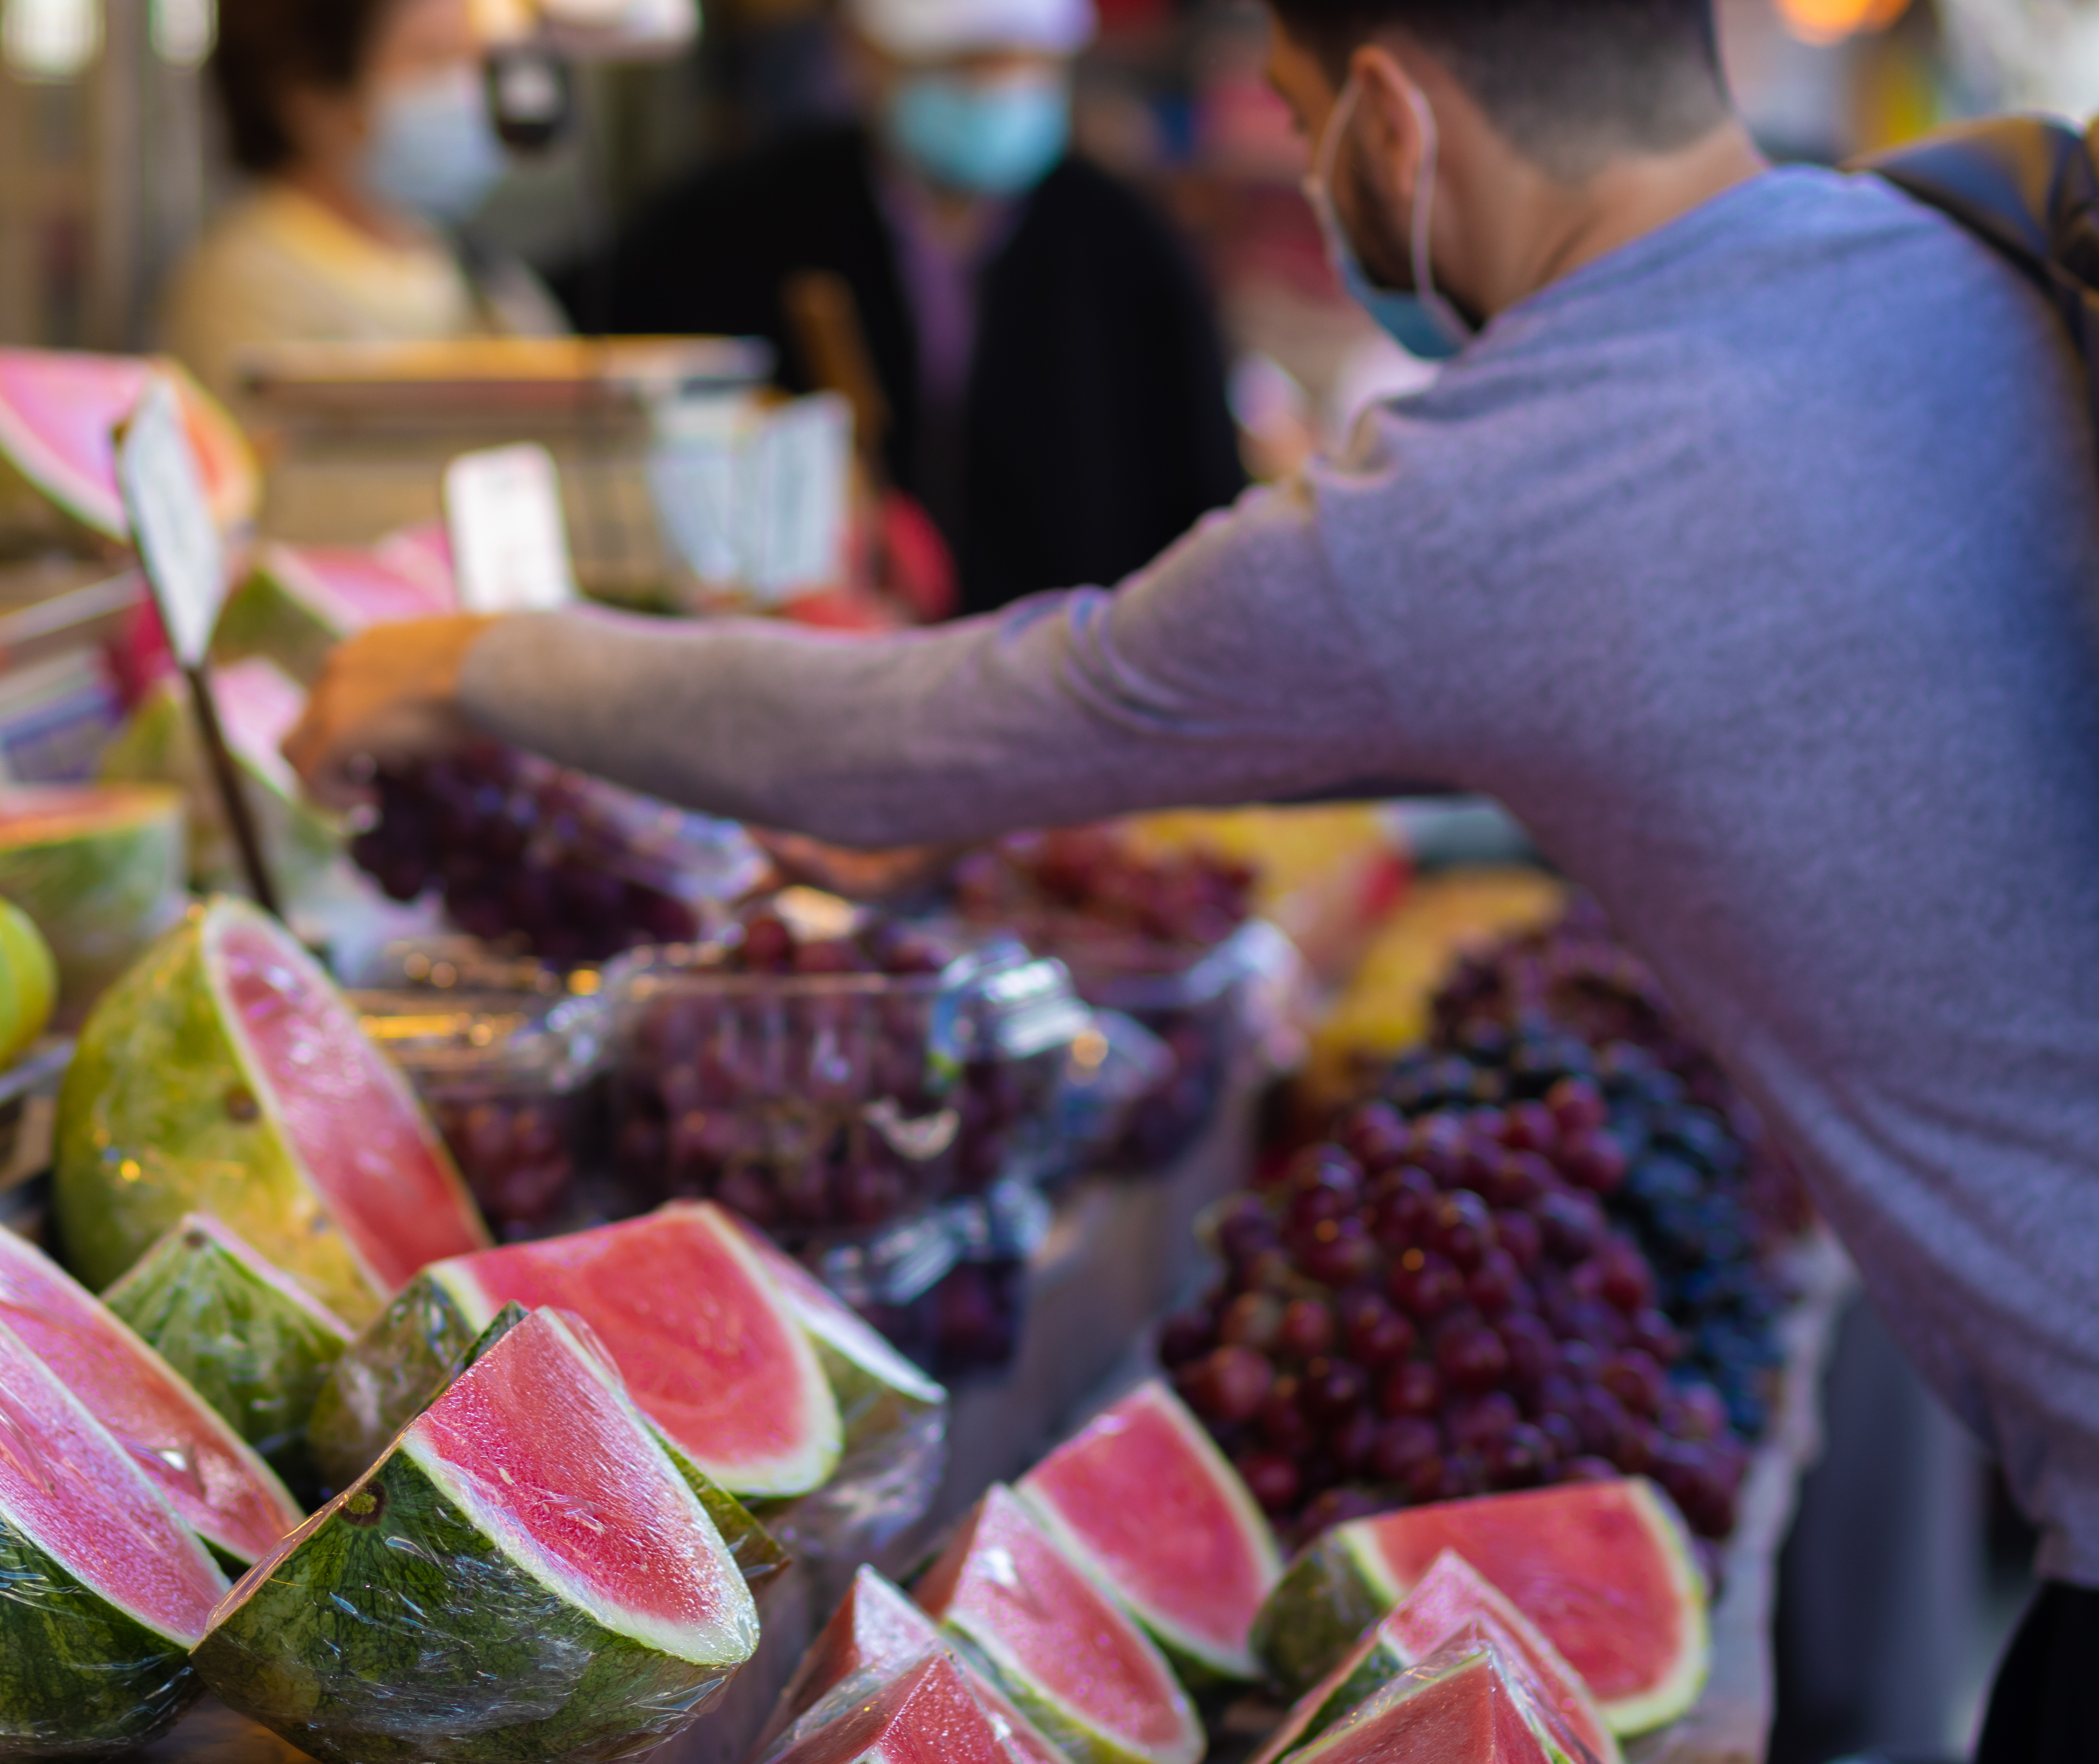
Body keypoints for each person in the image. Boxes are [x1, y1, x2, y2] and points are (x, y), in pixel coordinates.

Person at [288, 1, 2099, 1753]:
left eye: (1307, 123)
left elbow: (926, 726)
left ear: (1391, 118)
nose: (1317, 179)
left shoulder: (1505, 494)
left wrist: (470, 661)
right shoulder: (1952, 256)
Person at [578, 0, 1248, 616]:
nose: (993, 90)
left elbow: (1203, 505)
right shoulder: (735, 224)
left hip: (1068, 685)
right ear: (861, 53)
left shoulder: (1127, 245)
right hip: (807, 680)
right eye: (960, 67)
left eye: (1018, 66)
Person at [161, 0, 566, 406]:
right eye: (433, 59)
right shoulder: (247, 287)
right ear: (313, 94)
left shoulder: (480, 273)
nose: (470, 94)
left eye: (477, 62)